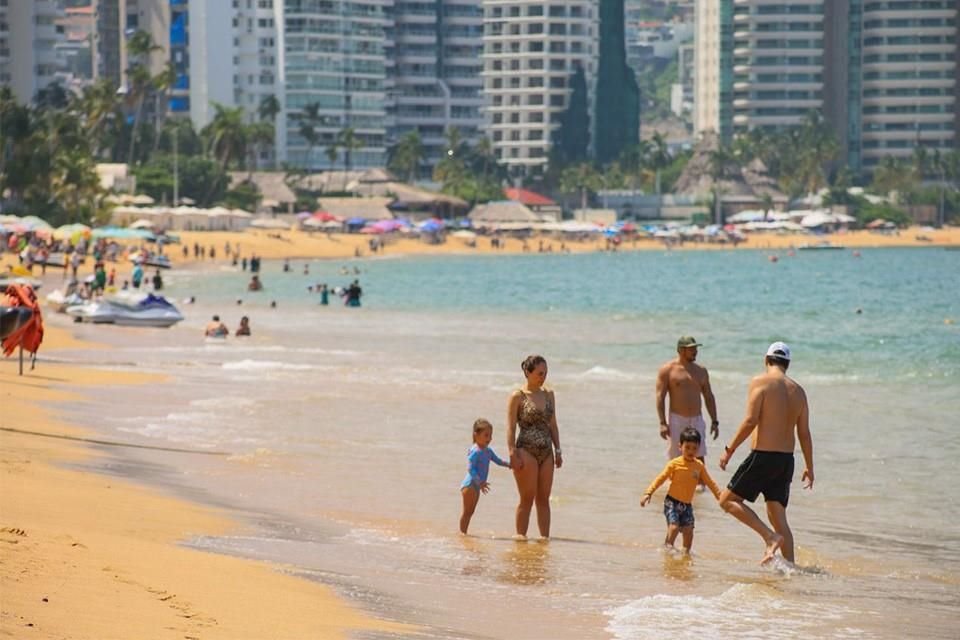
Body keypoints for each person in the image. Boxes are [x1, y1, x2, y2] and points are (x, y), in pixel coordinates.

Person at [718, 342, 814, 565]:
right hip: (785, 461)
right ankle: (791, 569)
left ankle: (770, 538)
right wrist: (810, 467)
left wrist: (729, 450)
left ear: (766, 360)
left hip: (763, 456)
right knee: (779, 518)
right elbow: (804, 433)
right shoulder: (799, 392)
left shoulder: (760, 382)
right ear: (787, 364)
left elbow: (750, 420)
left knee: (726, 501)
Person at [507, 355, 562, 539]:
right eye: (539, 373)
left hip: (547, 452)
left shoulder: (549, 394)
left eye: (545, 373)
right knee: (527, 499)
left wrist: (558, 450)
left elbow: (553, 425)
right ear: (528, 372)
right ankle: (520, 540)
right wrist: (512, 452)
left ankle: (544, 541)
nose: (543, 377)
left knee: (544, 500)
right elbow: (510, 427)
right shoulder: (517, 396)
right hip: (526, 450)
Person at [641, 428, 721, 554]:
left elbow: (710, 482)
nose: (690, 451)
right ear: (680, 446)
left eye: (694, 448)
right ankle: (667, 551)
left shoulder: (699, 466)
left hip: (687, 505)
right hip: (671, 502)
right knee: (674, 527)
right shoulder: (674, 464)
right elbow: (661, 478)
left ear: (699, 448)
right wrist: (648, 493)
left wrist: (720, 496)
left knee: (689, 532)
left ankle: (685, 556)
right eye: (687, 447)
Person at [656, 336, 720, 478]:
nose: (695, 351)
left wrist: (715, 421)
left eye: (696, 348)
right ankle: (675, 483)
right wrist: (662, 423)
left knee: (699, 454)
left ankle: (700, 486)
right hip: (677, 419)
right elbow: (660, 397)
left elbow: (709, 396)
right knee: (676, 456)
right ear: (681, 350)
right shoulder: (667, 370)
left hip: (696, 419)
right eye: (691, 349)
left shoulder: (701, 371)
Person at [459, 418, 511, 534]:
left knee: (471, 512)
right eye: (486, 435)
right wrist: (480, 482)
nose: (489, 438)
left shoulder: (488, 451)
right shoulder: (475, 451)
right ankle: (462, 534)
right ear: (476, 435)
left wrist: (510, 465)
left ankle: (464, 534)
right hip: (470, 485)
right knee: (467, 512)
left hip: (477, 486)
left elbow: (498, 461)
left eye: (490, 435)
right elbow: (470, 468)